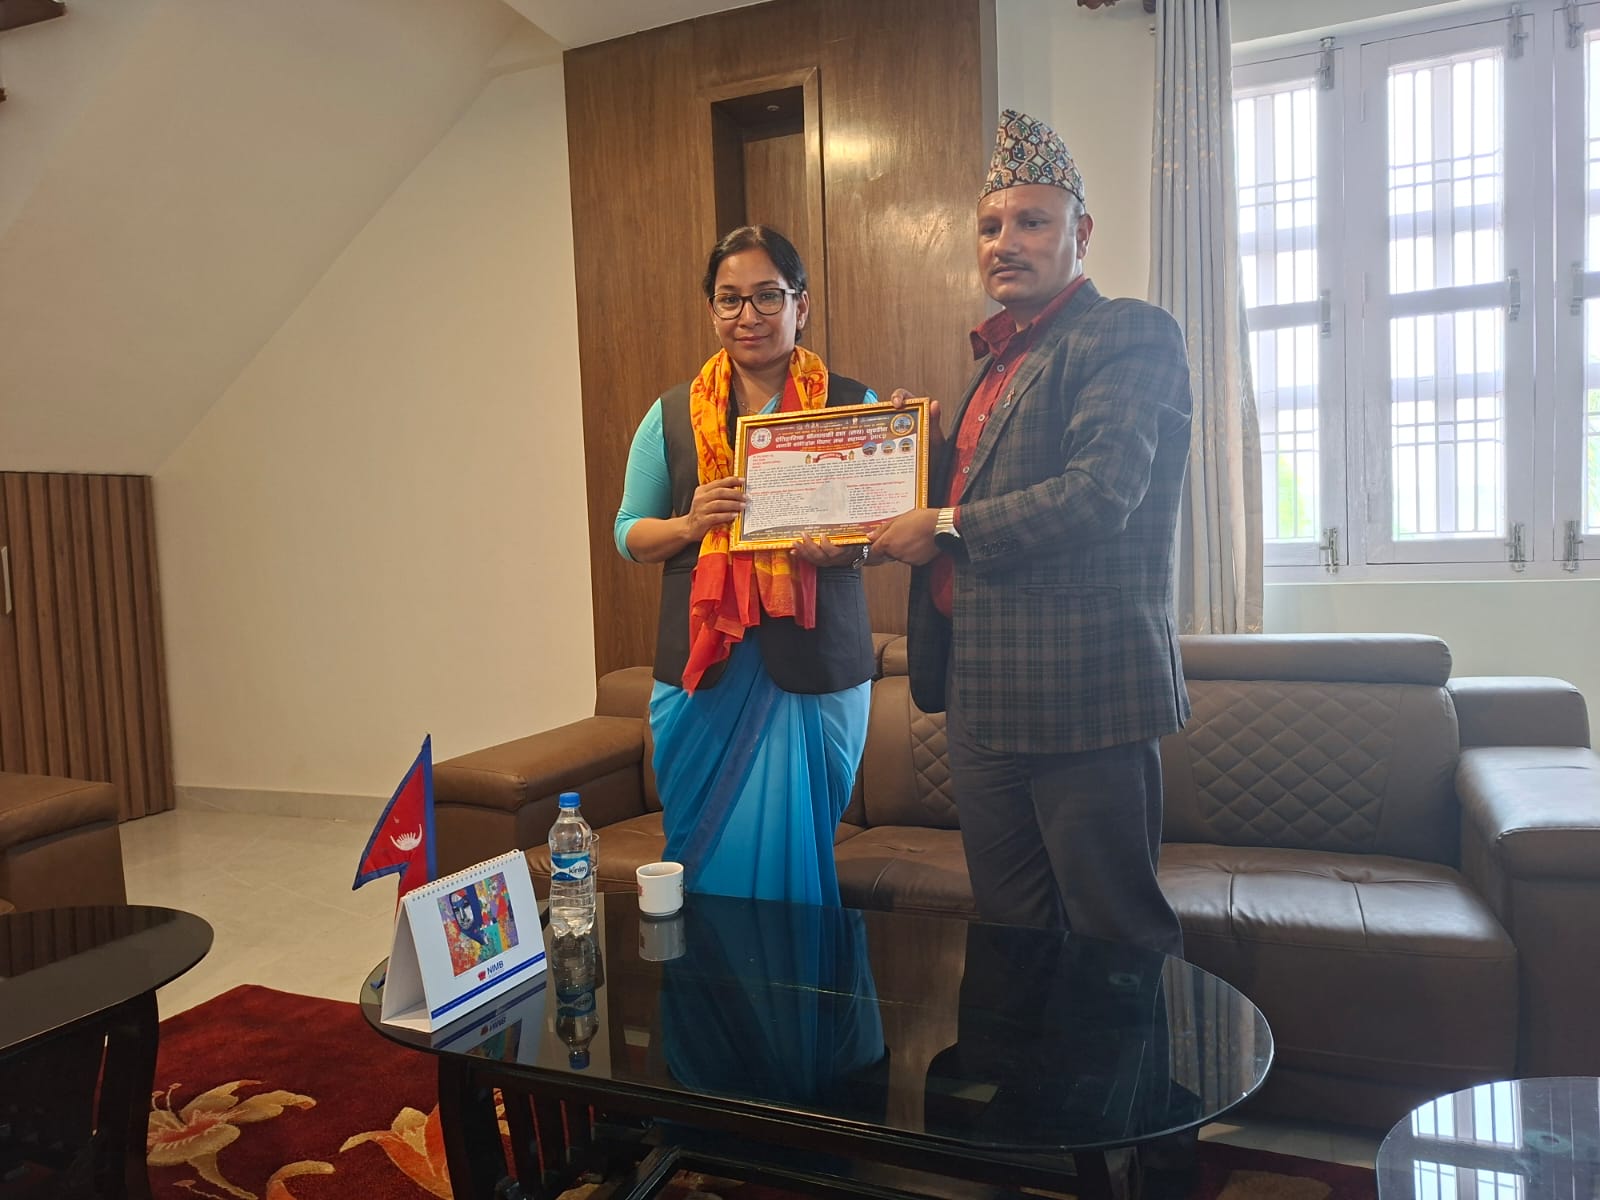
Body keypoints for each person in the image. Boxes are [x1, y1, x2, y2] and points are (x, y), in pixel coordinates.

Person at [868, 110, 1191, 956]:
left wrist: (941, 521)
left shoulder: (1126, 330)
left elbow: (1100, 493)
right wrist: (914, 458)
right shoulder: (996, 361)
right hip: (979, 689)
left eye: (1032, 223)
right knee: (1012, 930)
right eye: (990, 227)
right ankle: (1027, 1054)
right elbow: (985, 496)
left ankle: (1126, 1058)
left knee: (1114, 937)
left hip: (1082, 690)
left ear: (1080, 234)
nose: (1004, 243)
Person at [614, 225, 877, 905]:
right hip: (706, 668)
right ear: (712, 309)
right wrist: (690, 523)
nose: (748, 316)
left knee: (802, 849)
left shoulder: (854, 407)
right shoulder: (673, 414)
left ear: (801, 304)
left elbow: (883, 531)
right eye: (729, 299)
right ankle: (708, 975)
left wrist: (844, 547)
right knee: (699, 856)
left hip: (816, 660)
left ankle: (801, 973)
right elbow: (628, 534)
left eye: (767, 297)